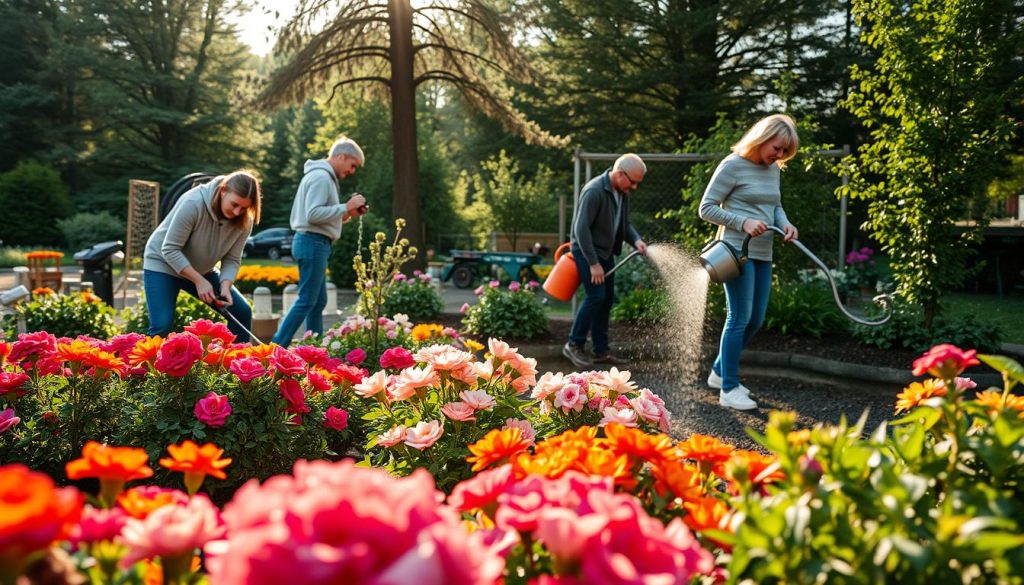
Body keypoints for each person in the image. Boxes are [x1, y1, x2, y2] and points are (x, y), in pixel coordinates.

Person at [699, 114, 800, 410]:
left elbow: (775, 206)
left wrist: (786, 224)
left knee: (755, 320)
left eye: (785, 152)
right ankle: (729, 389)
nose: (779, 156)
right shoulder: (732, 165)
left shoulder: (774, 169)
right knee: (738, 318)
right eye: (777, 148)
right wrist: (742, 222)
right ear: (763, 137)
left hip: (764, 252)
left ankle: (719, 372)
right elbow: (705, 208)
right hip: (736, 252)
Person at [143, 170, 262, 341]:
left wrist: (226, 285)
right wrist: (199, 281)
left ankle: (237, 364)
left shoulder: (244, 220)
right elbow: (169, 249)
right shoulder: (194, 203)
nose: (237, 212)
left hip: (202, 270)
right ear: (223, 191)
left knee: (242, 311)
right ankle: (143, 365)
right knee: (162, 324)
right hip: (162, 264)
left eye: (244, 208)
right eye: (234, 204)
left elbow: (232, 259)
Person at [271, 137, 367, 347]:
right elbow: (313, 214)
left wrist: (348, 212)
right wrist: (345, 206)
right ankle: (276, 347)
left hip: (315, 242)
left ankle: (313, 349)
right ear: (341, 156)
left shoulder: (325, 178)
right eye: (352, 165)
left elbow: (321, 215)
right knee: (307, 300)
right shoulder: (322, 178)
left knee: (318, 301)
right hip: (312, 242)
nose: (352, 171)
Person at [562, 153, 648, 369]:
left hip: (605, 254)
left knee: (606, 299)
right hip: (586, 252)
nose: (635, 187)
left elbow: (624, 224)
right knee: (595, 296)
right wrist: (593, 263)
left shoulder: (622, 192)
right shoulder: (594, 191)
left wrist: (636, 239)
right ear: (620, 174)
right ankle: (573, 344)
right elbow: (580, 229)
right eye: (633, 181)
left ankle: (601, 351)